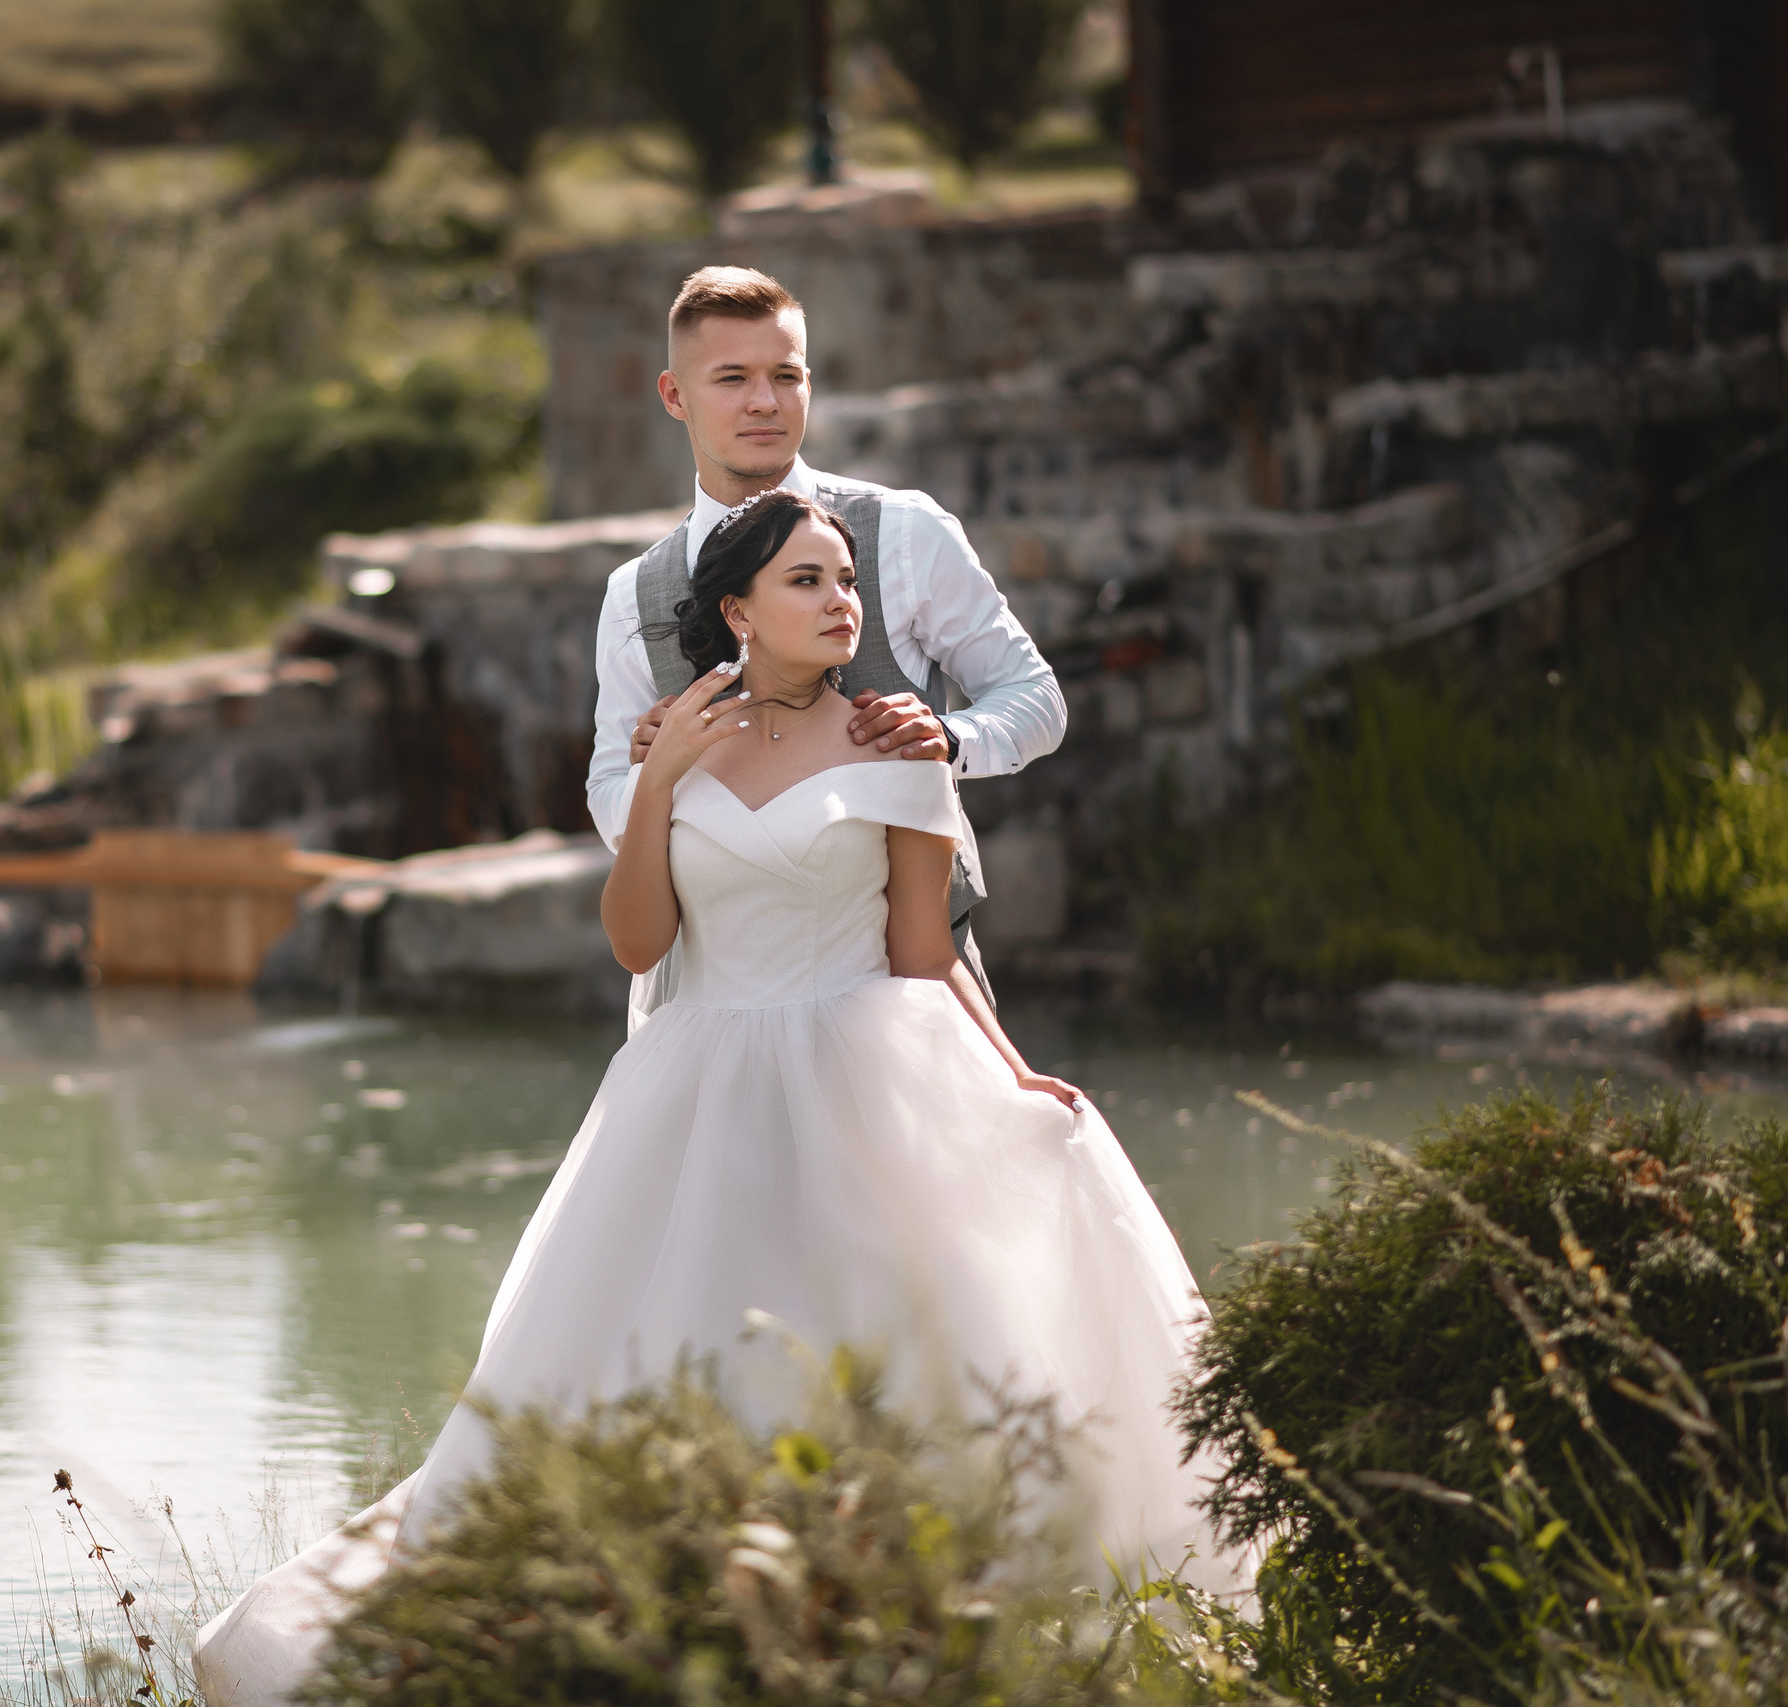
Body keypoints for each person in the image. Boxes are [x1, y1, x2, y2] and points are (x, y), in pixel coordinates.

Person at [193, 492, 1234, 1707]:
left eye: (846, 580)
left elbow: (922, 951)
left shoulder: (899, 746)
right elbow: (639, 944)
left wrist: (1009, 1075)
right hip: (695, 1084)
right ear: (737, 610)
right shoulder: (670, 745)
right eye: (807, 582)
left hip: (865, 1073)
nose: (840, 601)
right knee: (665, 1364)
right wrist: (658, 784)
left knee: (873, 1363)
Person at [588, 265, 1065, 1026]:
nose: (764, 401)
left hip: (908, 982)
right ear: (675, 396)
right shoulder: (632, 592)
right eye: (733, 377)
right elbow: (607, 789)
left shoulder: (906, 530)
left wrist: (948, 737)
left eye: (786, 375)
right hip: (708, 997)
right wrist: (660, 769)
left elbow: (1037, 700)